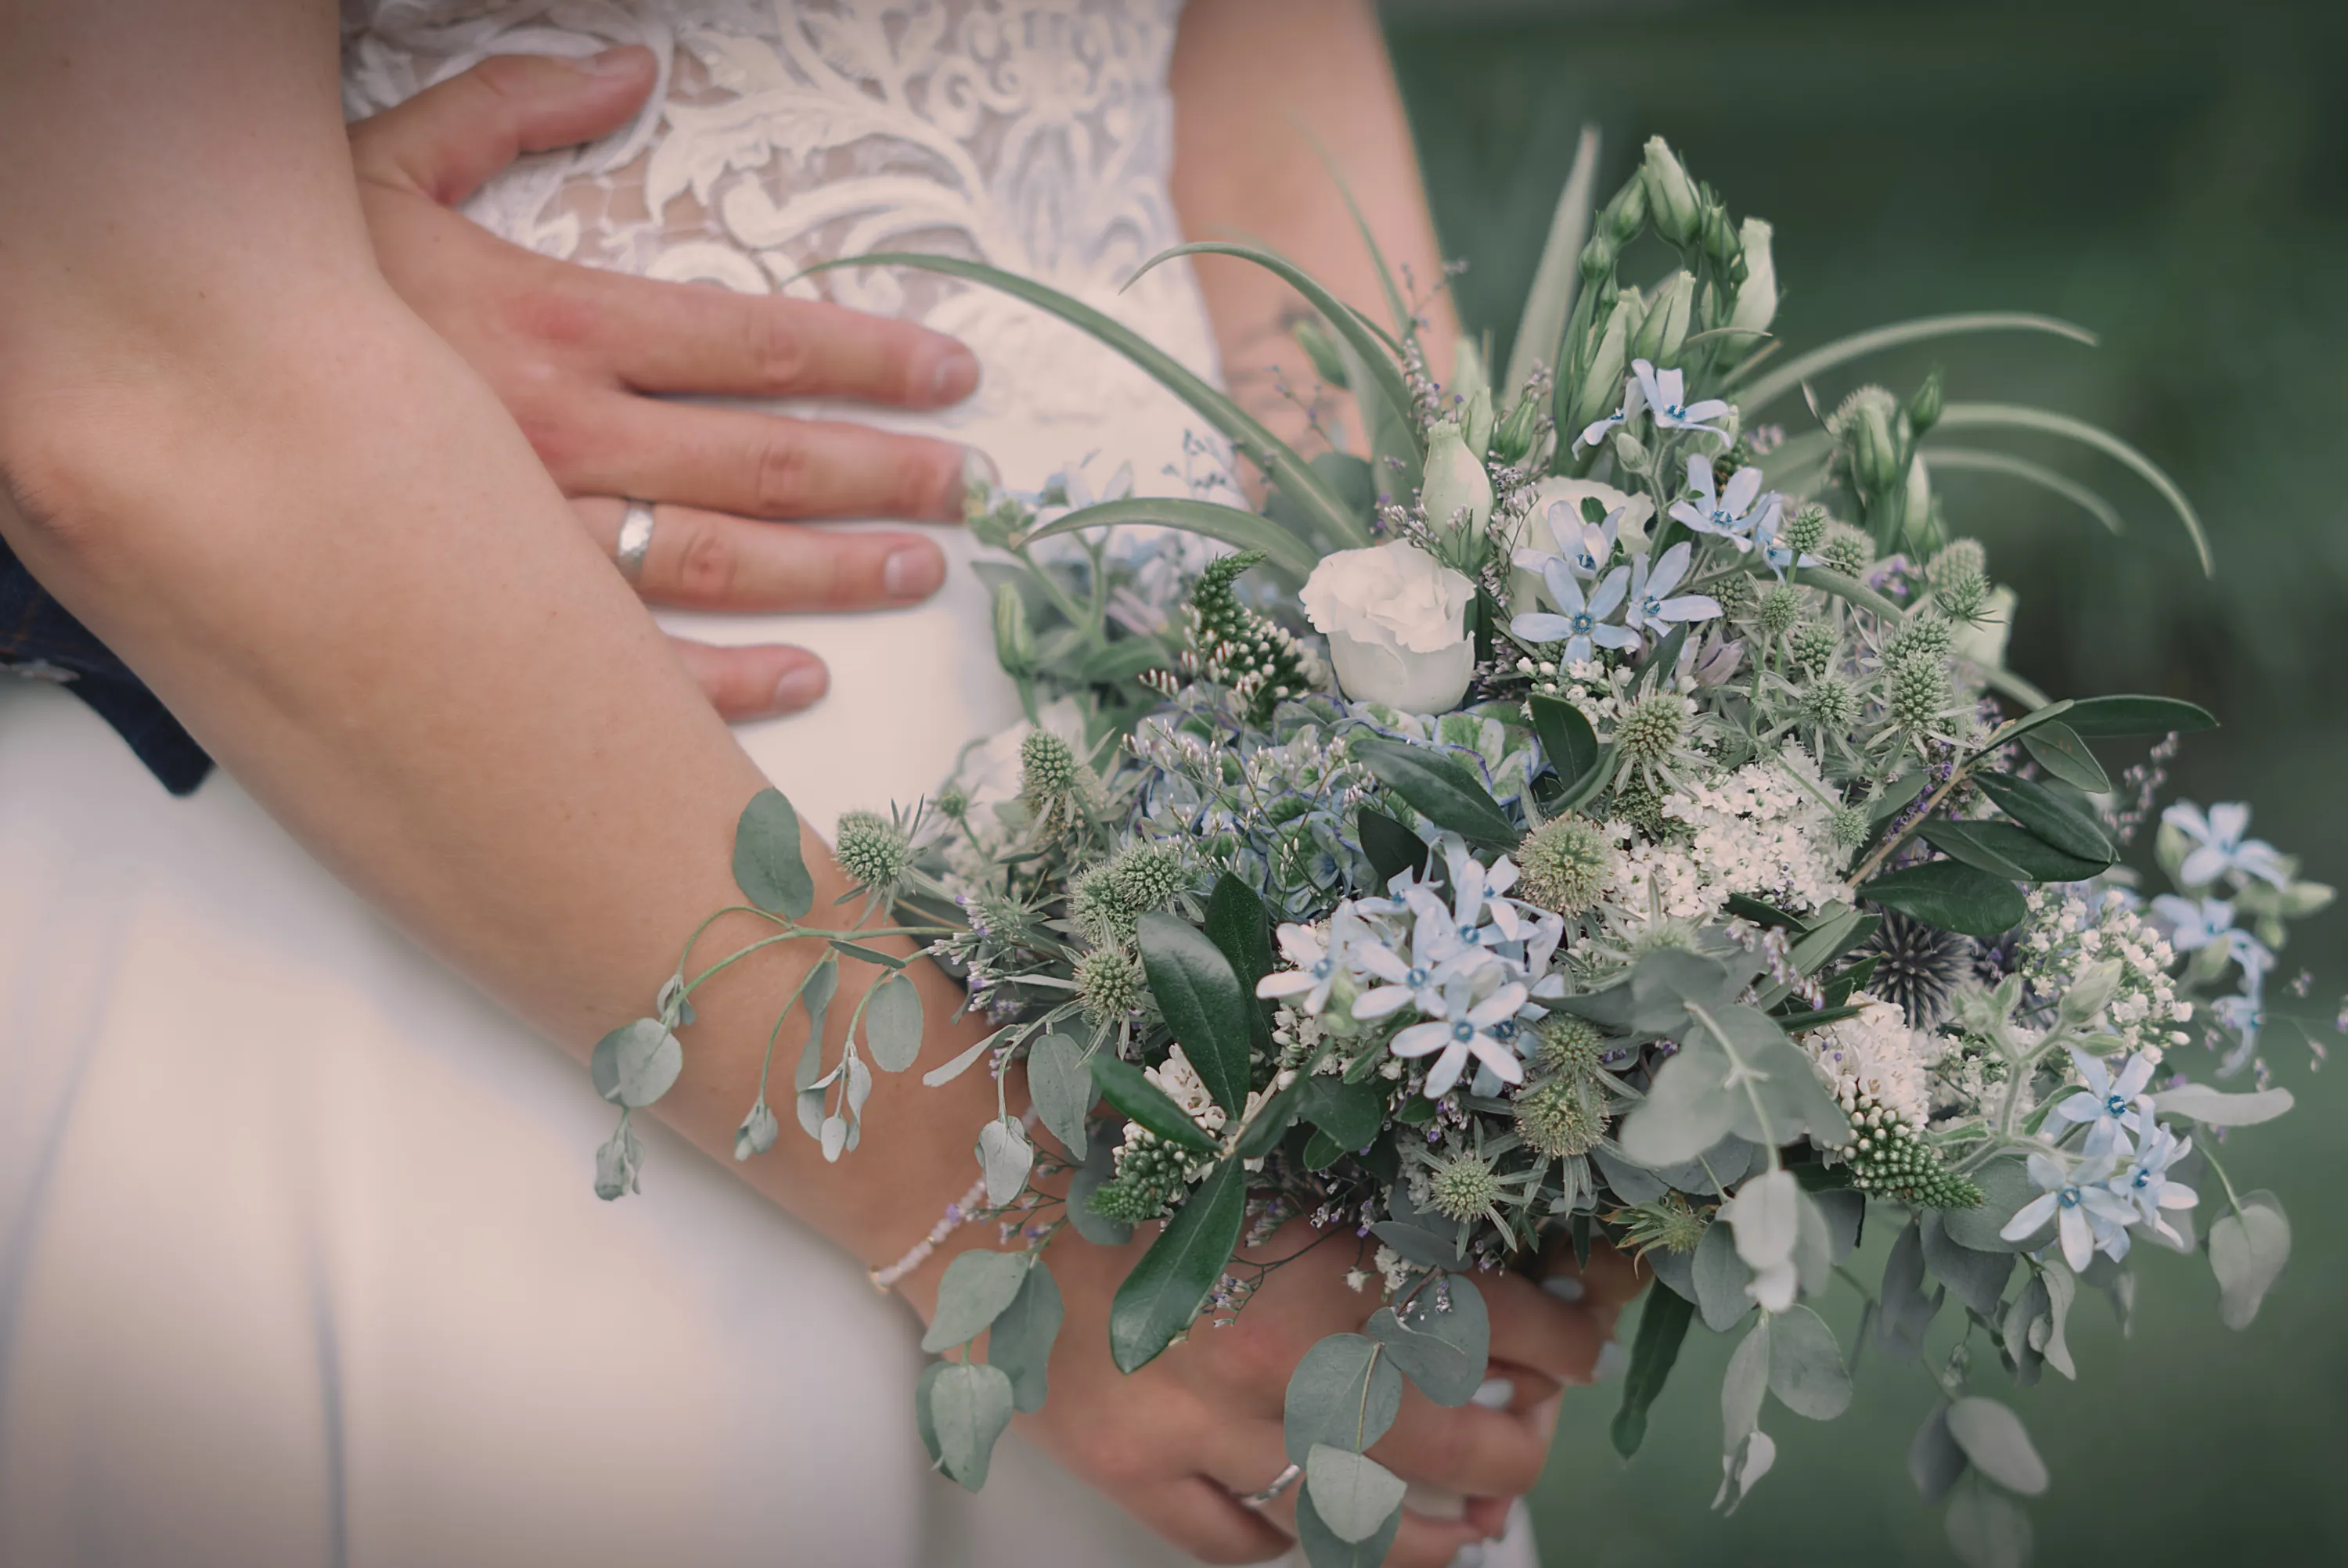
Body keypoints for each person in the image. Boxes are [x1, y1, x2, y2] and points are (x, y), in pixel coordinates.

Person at [0, 4, 1635, 1565]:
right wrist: (1012, 1229)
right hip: (481, 907)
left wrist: (1459, 813)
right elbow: (142, 373)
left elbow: (1256, 71)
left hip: (1220, 1006)